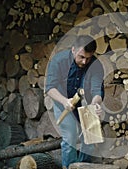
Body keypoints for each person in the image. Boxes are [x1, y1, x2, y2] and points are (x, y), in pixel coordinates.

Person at [45, 35, 104, 168]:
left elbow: (97, 91)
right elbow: (50, 88)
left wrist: (95, 104)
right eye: (81, 57)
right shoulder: (58, 61)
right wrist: (65, 101)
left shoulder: (95, 65)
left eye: (88, 58)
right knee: (70, 137)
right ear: (73, 50)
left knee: (91, 136)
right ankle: (69, 167)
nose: (84, 62)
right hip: (63, 103)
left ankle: (83, 166)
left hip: (86, 103)